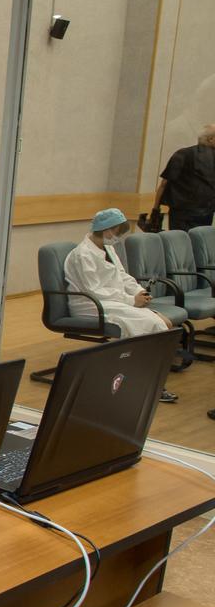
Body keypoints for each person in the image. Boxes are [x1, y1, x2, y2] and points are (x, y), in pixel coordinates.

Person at [64, 208, 179, 403]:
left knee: (164, 324)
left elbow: (122, 276)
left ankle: (145, 379)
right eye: (116, 231)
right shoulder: (82, 255)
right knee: (155, 326)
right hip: (92, 304)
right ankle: (151, 384)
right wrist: (130, 300)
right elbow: (94, 291)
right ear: (105, 229)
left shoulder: (108, 249)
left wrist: (137, 292)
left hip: (113, 301)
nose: (117, 236)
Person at [152, 123, 215, 232]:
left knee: (180, 244)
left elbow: (164, 184)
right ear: (211, 139)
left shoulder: (183, 154)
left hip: (181, 214)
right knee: (200, 246)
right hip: (207, 213)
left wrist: (155, 209)